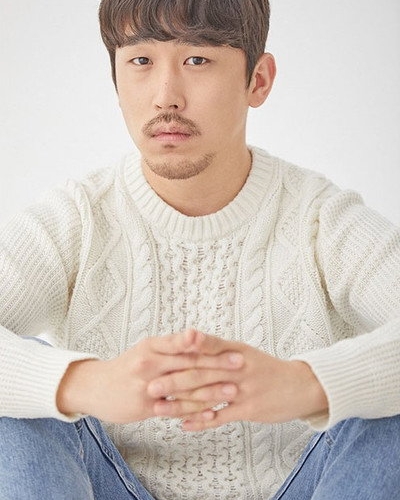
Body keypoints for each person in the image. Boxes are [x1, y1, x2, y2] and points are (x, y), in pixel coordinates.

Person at [0, 0, 399, 498]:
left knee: (383, 400)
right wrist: (80, 384)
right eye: (141, 60)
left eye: (197, 60)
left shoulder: (322, 219)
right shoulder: (76, 217)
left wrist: (308, 384)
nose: (166, 97)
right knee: (20, 397)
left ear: (258, 81)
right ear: (115, 78)